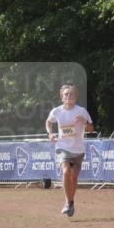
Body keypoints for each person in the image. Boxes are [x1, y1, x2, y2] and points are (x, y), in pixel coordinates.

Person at [45, 84, 94, 217]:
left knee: (74, 177)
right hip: (63, 147)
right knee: (66, 171)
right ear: (62, 97)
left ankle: (71, 202)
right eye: (66, 94)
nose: (69, 96)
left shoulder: (82, 111)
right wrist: (50, 134)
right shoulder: (57, 111)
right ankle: (68, 203)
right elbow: (48, 122)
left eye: (71, 94)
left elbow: (91, 128)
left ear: (76, 97)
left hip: (78, 149)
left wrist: (84, 122)